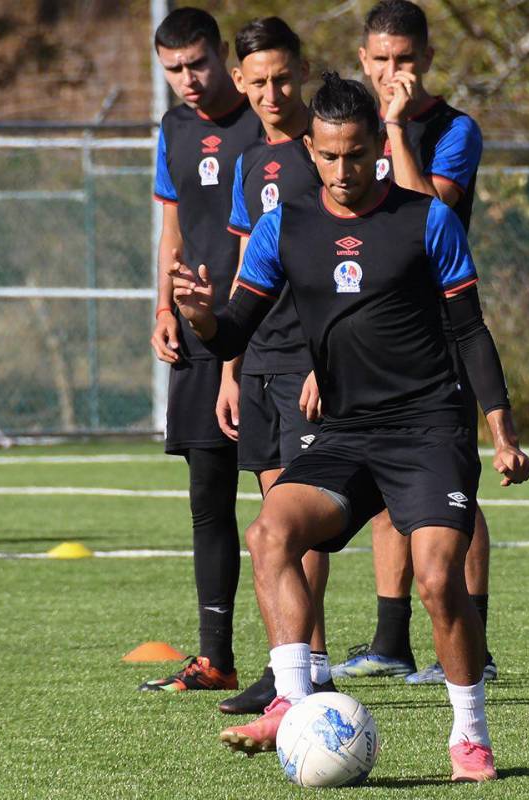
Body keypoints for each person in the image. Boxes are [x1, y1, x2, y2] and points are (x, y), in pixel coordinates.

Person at [173, 73, 529, 783]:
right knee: (270, 532)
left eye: (359, 154)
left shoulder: (427, 219)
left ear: (378, 145)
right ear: (311, 149)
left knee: (436, 580)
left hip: (429, 428)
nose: (345, 171)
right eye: (331, 156)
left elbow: (470, 331)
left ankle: (470, 736)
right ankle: (294, 699)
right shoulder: (285, 226)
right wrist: (202, 318)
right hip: (345, 433)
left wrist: (501, 429)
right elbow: (234, 331)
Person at [331, 0, 497, 685]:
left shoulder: (453, 129)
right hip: (375, 334)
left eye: (403, 60)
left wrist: (396, 128)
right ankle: (390, 641)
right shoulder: (350, 135)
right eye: (379, 61)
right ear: (363, 60)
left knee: (450, 488)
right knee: (383, 476)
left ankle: (474, 647)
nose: (391, 72)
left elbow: (428, 209)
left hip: (438, 332)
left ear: (425, 60)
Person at [214, 16, 337, 716]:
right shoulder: (251, 162)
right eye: (257, 81)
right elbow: (242, 267)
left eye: (283, 78)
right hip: (258, 358)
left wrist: (329, 358)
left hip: (307, 362)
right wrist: (230, 367)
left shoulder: (325, 151)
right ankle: (287, 663)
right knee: (270, 517)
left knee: (299, 518)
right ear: (241, 81)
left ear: (304, 70)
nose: (271, 91)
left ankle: (312, 664)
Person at [141, 7, 262, 693]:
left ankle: (301, 664)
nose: (187, 80)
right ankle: (216, 656)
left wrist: (235, 363)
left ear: (223, 56)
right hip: (194, 330)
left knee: (285, 500)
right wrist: (163, 304)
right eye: (173, 70)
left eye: (197, 64)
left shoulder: (262, 119)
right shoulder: (174, 129)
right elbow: (172, 228)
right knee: (208, 499)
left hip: (264, 330)